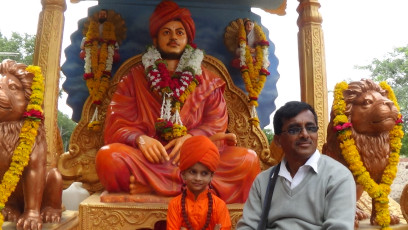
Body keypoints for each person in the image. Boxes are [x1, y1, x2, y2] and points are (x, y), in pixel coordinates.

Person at [95, 0, 261, 204]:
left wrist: (191, 138)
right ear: (155, 40)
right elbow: (117, 122)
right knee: (108, 157)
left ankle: (149, 188)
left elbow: (216, 122)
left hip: (197, 158)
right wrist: (140, 139)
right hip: (150, 158)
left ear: (188, 39)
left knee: (248, 160)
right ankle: (187, 188)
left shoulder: (207, 79)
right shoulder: (135, 78)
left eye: (179, 32)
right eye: (166, 32)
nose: (173, 37)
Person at [237, 101, 356, 229]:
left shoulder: (338, 176)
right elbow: (247, 227)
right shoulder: (264, 181)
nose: (305, 134)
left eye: (310, 128)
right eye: (294, 130)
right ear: (278, 140)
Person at [166, 136, 231, 230]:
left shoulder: (219, 206)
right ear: (183, 174)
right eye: (193, 172)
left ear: (211, 177)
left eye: (204, 173)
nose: (198, 178)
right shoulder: (175, 204)